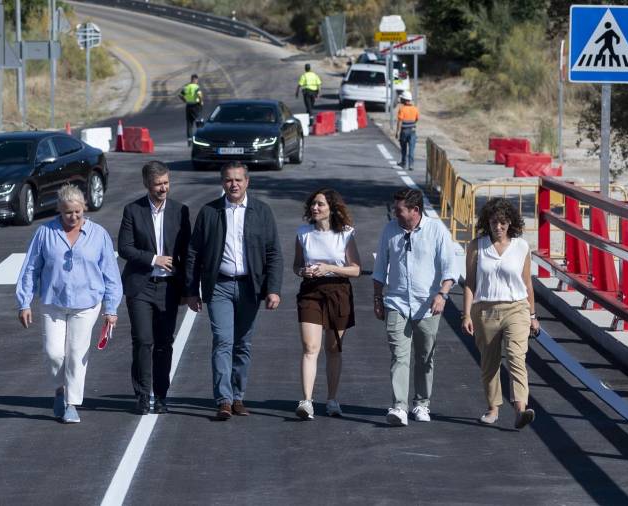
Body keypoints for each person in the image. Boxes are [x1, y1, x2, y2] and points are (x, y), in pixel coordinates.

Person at [16, 184, 122, 424]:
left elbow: (111, 274)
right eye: (67, 213)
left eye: (78, 212)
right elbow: (31, 268)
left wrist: (111, 308)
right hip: (53, 302)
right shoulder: (45, 233)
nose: (73, 217)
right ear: (59, 211)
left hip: (87, 304)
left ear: (84, 208)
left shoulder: (99, 234)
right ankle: (59, 389)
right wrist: (24, 302)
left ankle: (71, 403)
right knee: (54, 353)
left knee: (76, 353)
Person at [185, 162, 283, 421]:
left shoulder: (261, 212)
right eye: (229, 180)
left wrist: (273, 289)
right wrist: (191, 290)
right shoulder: (209, 212)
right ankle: (224, 400)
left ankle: (238, 396)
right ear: (222, 183)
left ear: (247, 182)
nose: (234, 184)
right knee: (223, 340)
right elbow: (194, 252)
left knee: (243, 344)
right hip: (219, 286)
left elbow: (273, 252)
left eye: (238, 179)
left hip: (250, 287)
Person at [372, 188, 458, 426]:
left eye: (399, 210)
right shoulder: (389, 230)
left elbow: (450, 268)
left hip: (427, 305)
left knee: (424, 357)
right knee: (399, 355)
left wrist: (442, 294)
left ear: (415, 210)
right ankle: (399, 406)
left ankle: (421, 404)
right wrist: (377, 299)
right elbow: (380, 268)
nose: (395, 214)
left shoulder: (436, 230)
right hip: (396, 303)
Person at [118, 161, 191, 415]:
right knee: (142, 341)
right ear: (147, 184)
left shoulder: (180, 211)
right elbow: (125, 247)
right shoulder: (133, 210)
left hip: (169, 288)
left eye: (166, 183)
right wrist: (154, 259)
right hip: (140, 287)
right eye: (158, 184)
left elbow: (186, 252)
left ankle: (160, 395)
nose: (163, 188)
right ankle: (141, 394)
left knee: (164, 344)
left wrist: (188, 289)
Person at [462, 198, 539, 429]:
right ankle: (493, 408)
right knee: (490, 363)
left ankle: (520, 410)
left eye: (503, 223)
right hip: (485, 310)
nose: (498, 227)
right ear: (488, 222)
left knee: (517, 357)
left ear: (510, 223)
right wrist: (466, 315)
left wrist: (533, 316)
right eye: (494, 222)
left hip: (517, 308)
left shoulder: (521, 246)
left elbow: (527, 283)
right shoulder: (477, 246)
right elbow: (470, 282)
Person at [293, 189, 361, 420]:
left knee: (334, 348)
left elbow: (356, 269)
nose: (315, 208)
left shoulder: (345, 234)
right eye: (313, 204)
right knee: (310, 347)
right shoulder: (303, 233)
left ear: (331, 208)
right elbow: (296, 266)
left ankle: (332, 399)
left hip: (338, 291)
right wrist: (303, 271)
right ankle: (307, 401)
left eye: (320, 204)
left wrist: (329, 268)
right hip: (311, 291)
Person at [394, 91, 419, 171]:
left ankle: (403, 163)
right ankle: (411, 165)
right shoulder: (415, 109)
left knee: (404, 148)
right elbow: (416, 119)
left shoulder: (402, 109)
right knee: (411, 149)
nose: (400, 99)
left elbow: (399, 121)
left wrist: (397, 132)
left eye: (402, 98)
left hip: (404, 131)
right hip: (412, 131)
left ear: (404, 100)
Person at [179, 74, 204, 144]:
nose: (197, 81)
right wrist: (201, 102)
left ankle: (189, 140)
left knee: (189, 124)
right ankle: (200, 138)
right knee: (199, 122)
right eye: (196, 80)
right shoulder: (196, 87)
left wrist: (185, 100)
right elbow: (199, 95)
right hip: (196, 106)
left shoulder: (187, 87)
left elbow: (180, 95)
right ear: (195, 79)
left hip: (188, 106)